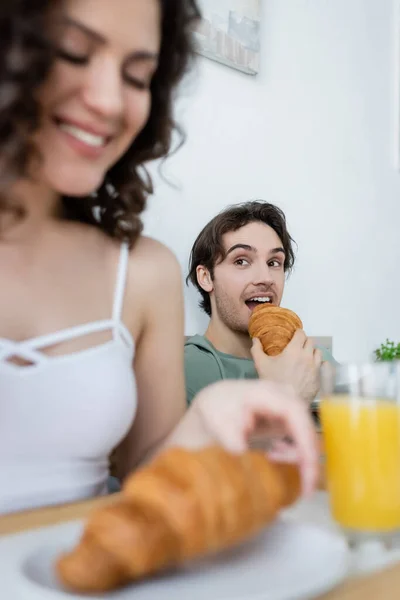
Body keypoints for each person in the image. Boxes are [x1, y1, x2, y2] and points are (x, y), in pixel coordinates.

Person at [0, 1, 318, 515]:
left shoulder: (144, 273)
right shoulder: (194, 356)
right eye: (74, 52)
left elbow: (153, 483)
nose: (107, 101)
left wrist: (268, 402)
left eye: (138, 75)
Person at [185, 201, 337, 405]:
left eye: (274, 263)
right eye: (241, 261)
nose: (266, 278)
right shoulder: (185, 371)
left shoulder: (314, 359)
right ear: (206, 277)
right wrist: (288, 397)